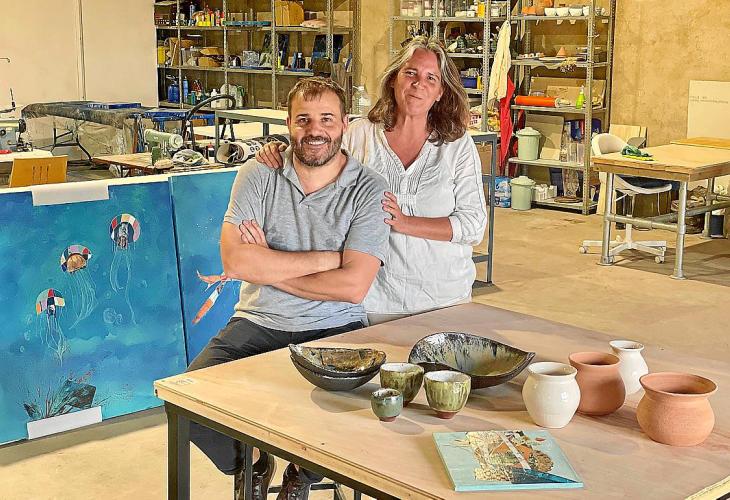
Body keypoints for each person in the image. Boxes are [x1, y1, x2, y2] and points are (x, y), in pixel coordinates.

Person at [187, 77, 390, 500]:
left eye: (327, 119)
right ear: (288, 124)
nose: (315, 130)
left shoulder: (368, 188)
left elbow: (353, 286)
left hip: (336, 327)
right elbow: (235, 262)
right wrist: (328, 258)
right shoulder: (260, 173)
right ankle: (253, 465)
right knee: (188, 401)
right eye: (304, 120)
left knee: (347, 413)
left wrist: (268, 266)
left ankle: (304, 471)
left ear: (345, 124)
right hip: (259, 321)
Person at [256, 36, 487, 324]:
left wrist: (405, 223)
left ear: (441, 92)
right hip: (374, 298)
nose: (419, 84)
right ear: (393, 79)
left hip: (445, 298)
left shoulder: (457, 145)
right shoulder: (360, 135)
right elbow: (315, 156)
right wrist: (277, 150)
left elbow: (473, 225)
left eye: (431, 78)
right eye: (411, 73)